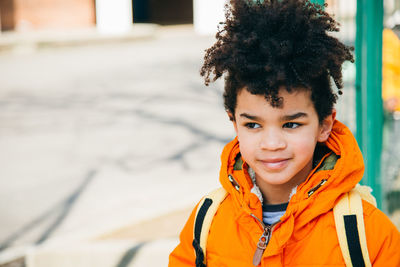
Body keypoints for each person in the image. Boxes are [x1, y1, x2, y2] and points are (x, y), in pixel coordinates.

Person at [169, 0, 400, 266]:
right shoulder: (208, 221)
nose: (272, 143)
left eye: (291, 124)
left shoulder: (365, 232)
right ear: (235, 124)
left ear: (324, 125)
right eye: (253, 125)